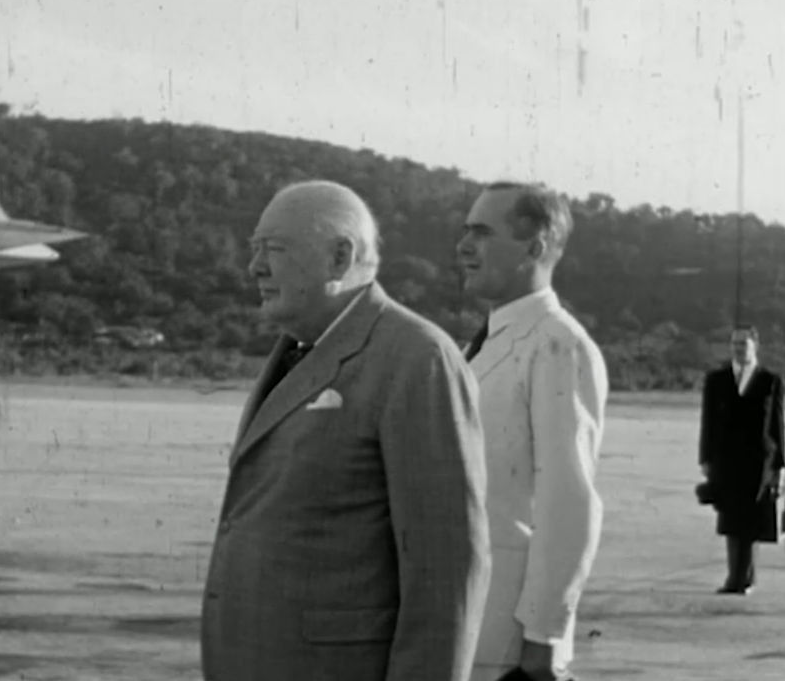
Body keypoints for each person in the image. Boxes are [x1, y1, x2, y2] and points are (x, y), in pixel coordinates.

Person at [201, 180, 492, 681]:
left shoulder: (416, 357)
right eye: (255, 250)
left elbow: (446, 566)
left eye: (273, 249)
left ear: (340, 258)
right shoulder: (298, 352)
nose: (255, 268)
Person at [456, 182, 609, 681]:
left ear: (536, 247)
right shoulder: (485, 342)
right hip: (465, 619)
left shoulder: (558, 346)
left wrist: (542, 640)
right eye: (465, 232)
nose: (463, 247)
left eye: (481, 233)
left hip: (507, 642)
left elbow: (569, 502)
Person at [698, 325, 784, 595]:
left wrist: (780, 465)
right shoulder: (717, 380)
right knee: (732, 520)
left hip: (760, 462)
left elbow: (778, 425)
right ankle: (739, 578)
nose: (738, 348)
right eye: (734, 343)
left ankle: (741, 579)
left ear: (755, 346)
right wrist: (706, 458)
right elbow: (708, 422)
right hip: (727, 461)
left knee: (751, 521)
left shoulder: (770, 381)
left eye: (743, 344)